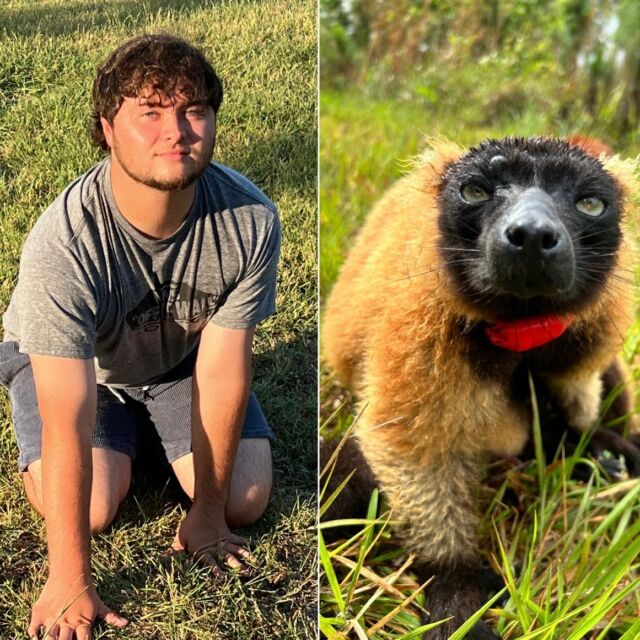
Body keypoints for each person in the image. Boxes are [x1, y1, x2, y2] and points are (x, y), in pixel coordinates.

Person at [0, 33, 280, 639]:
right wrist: (71, 578)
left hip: (179, 364)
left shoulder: (250, 220)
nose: (175, 131)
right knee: (95, 507)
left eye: (194, 110)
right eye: (149, 113)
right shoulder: (65, 245)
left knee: (245, 498)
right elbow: (68, 412)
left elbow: (223, 367)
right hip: (84, 374)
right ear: (107, 128)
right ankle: (122, 446)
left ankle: (160, 450)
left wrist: (206, 514)